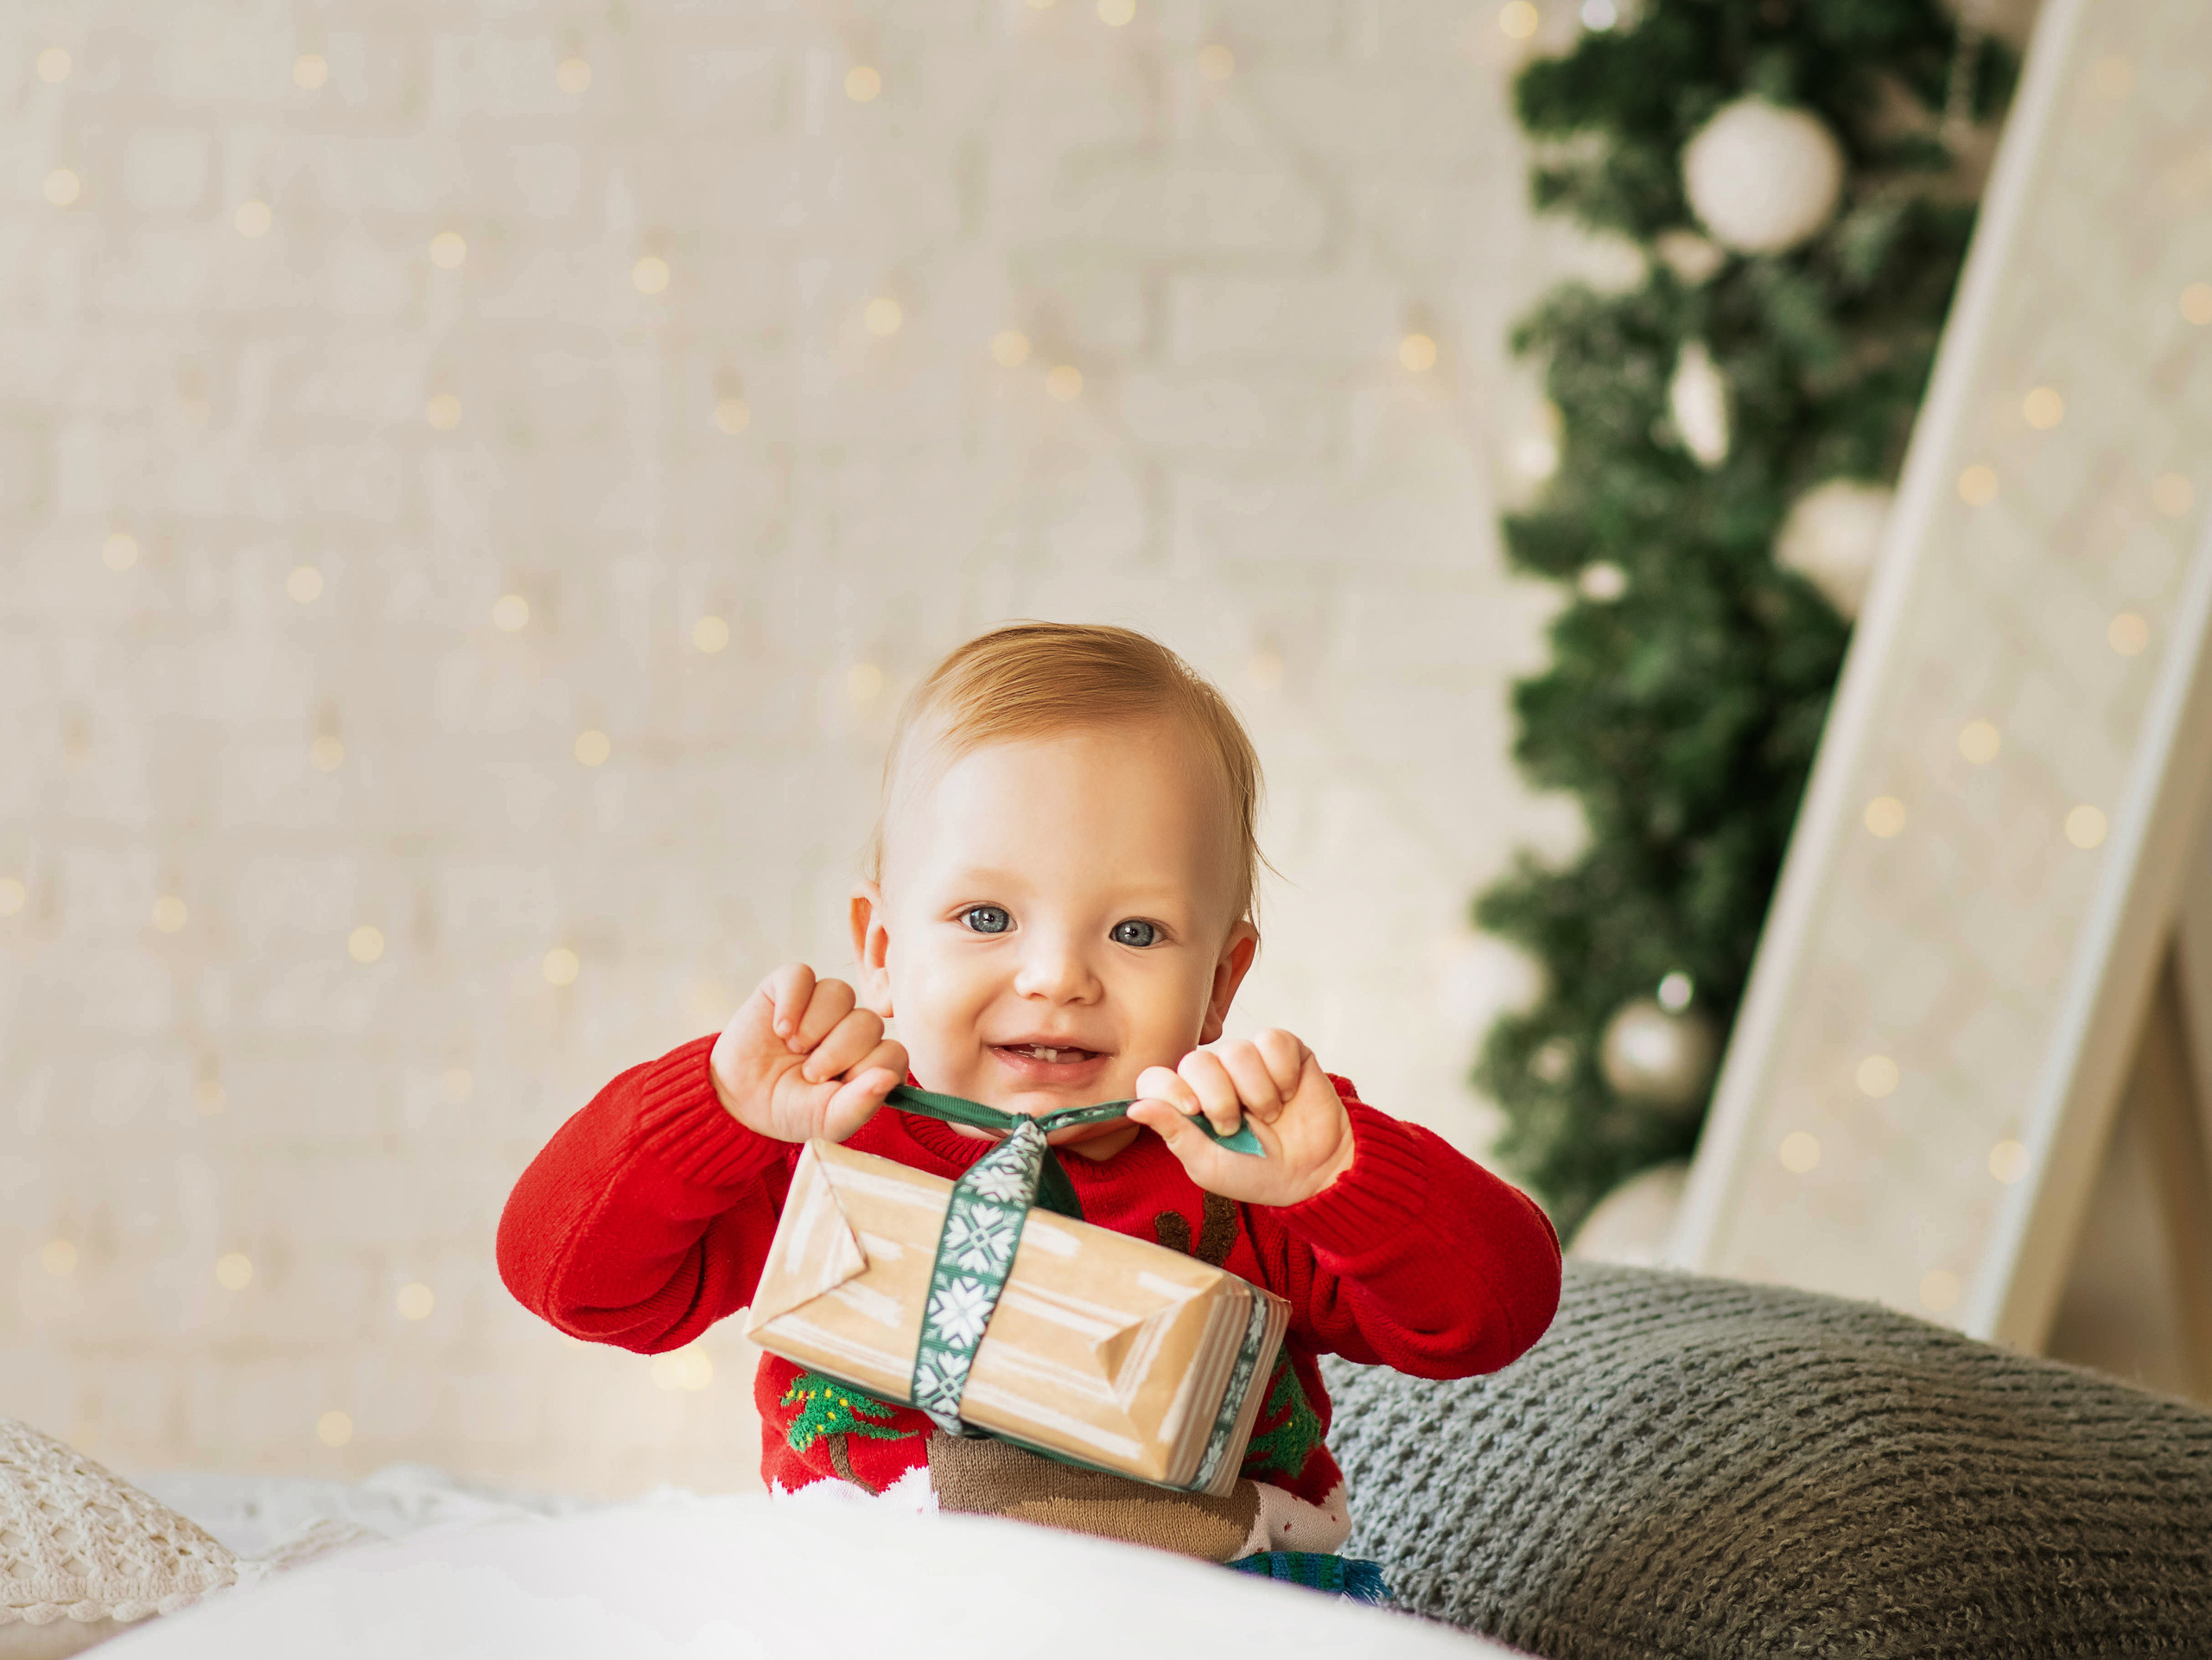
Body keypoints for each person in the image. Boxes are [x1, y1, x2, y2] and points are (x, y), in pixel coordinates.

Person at [499, 621, 1560, 1568]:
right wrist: (715, 1110)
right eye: (987, 918)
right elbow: (569, 1280)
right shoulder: (832, 1139)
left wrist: (1341, 1175)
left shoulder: (1253, 1161)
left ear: (1219, 983)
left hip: (1195, 1618)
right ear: (882, 946)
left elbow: (1495, 1316)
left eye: (1135, 931)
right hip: (871, 1607)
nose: (1056, 976)